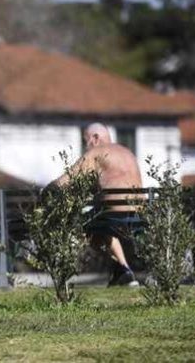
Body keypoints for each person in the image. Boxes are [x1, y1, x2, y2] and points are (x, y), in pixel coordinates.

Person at [51, 122, 141, 287]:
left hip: (116, 215)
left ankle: (120, 268)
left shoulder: (97, 152)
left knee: (78, 225)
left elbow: (67, 179)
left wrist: (47, 191)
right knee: (98, 223)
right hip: (139, 214)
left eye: (86, 141)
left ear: (95, 138)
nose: (86, 145)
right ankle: (124, 271)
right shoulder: (126, 151)